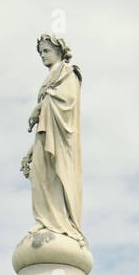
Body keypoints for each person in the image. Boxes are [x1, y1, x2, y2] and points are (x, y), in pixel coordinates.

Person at [20, 34, 85, 243]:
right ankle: (45, 219)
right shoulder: (48, 79)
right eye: (40, 53)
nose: (43, 56)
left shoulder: (69, 73)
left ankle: (61, 222)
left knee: (57, 177)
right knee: (40, 175)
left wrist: (39, 106)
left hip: (61, 140)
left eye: (46, 51)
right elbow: (44, 126)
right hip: (45, 138)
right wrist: (30, 151)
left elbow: (67, 102)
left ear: (59, 51)